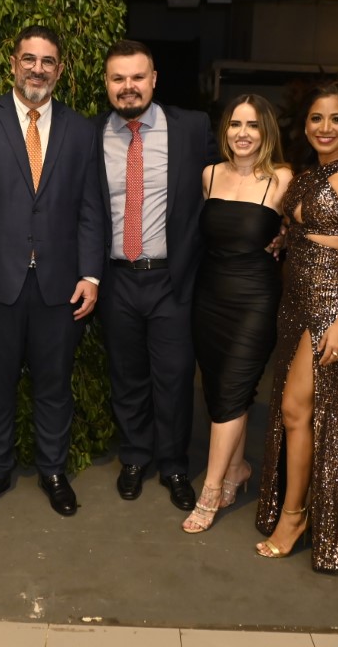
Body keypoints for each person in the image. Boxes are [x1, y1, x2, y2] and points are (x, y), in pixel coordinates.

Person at [0, 26, 104, 518]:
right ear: (13, 63)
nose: (38, 69)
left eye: (48, 61)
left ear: (60, 69)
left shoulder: (82, 130)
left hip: (60, 285)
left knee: (54, 384)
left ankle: (53, 471)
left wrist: (91, 275)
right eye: (29, 59)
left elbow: (91, 209)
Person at [254, 82, 338, 569]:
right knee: (295, 412)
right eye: (316, 118)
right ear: (305, 125)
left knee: (295, 407)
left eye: (336, 119)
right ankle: (294, 506)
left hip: (332, 303)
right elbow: (305, 229)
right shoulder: (308, 175)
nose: (325, 128)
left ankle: (296, 516)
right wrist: (283, 242)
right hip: (295, 300)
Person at [96, 39, 216, 513]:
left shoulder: (191, 128)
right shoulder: (91, 135)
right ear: (107, 84)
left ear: (154, 80)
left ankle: (174, 464)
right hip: (115, 279)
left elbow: (228, 183)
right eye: (118, 78)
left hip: (172, 279)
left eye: (137, 77)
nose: (128, 86)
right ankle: (134, 457)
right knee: (126, 376)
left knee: (175, 377)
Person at [184, 94, 292, 533]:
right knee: (221, 390)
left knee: (232, 387)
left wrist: (285, 238)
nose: (242, 134)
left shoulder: (282, 179)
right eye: (235, 124)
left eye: (252, 125)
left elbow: (306, 228)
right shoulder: (209, 174)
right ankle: (236, 469)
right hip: (210, 295)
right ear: (224, 130)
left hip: (255, 299)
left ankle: (209, 493)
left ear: (266, 132)